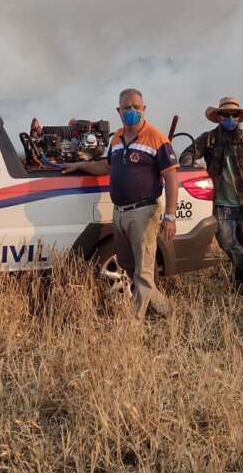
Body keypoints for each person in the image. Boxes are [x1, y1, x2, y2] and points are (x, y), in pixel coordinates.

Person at [63, 88, 179, 319]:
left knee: (144, 273)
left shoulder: (157, 138)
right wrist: (80, 166)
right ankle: (167, 311)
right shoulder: (116, 138)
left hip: (144, 212)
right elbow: (106, 166)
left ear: (144, 109)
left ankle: (132, 326)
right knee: (129, 266)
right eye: (127, 108)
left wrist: (170, 216)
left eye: (137, 107)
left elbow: (171, 177)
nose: (132, 111)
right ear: (119, 111)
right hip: (120, 213)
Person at [185, 96, 243, 290]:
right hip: (221, 205)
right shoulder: (209, 139)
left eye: (234, 115)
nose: (230, 118)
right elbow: (188, 153)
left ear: (239, 118)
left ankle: (241, 287)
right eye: (226, 114)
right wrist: (192, 163)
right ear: (219, 117)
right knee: (228, 243)